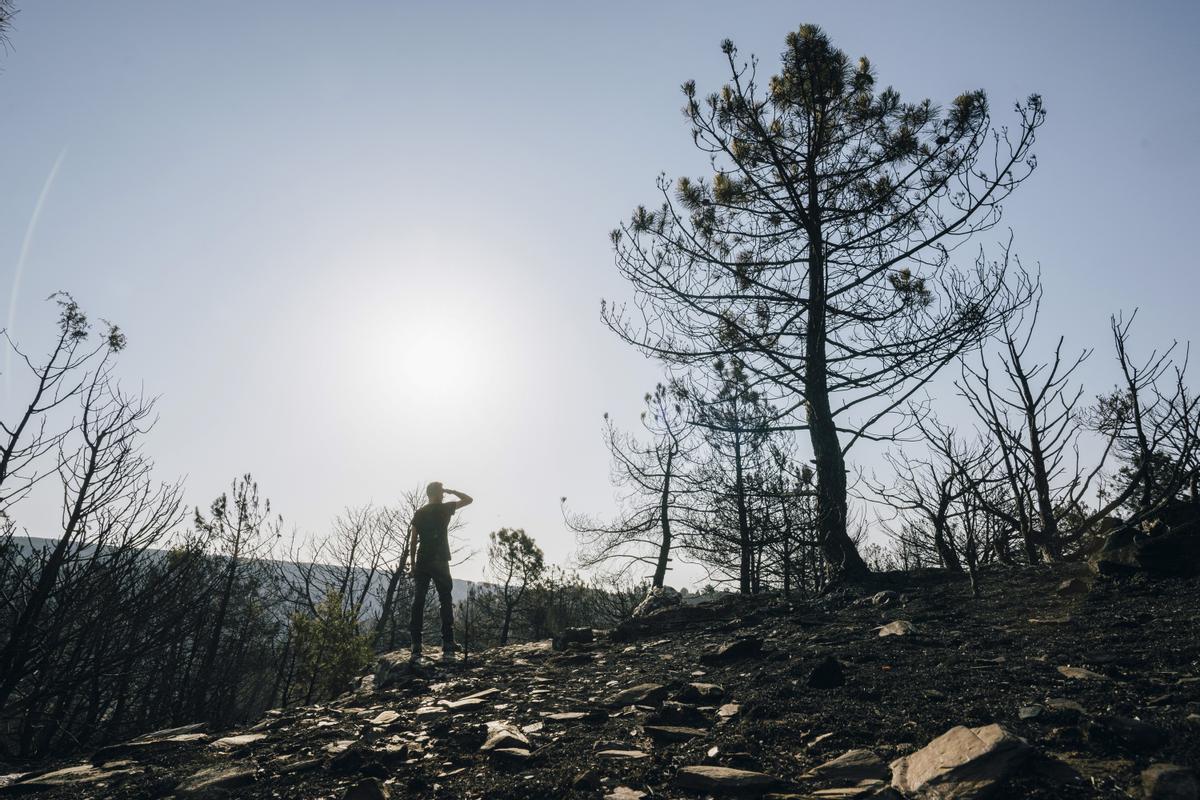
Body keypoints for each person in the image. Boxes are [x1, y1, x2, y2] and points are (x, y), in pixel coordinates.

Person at [408, 481, 472, 662]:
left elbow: (413, 541)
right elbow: (469, 500)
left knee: (418, 600)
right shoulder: (445, 509)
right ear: (439, 493)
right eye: (442, 492)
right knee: (445, 598)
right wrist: (453, 490)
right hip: (440, 560)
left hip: (422, 560)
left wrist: (412, 565)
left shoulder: (419, 513)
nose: (444, 495)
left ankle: (416, 644)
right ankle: (448, 642)